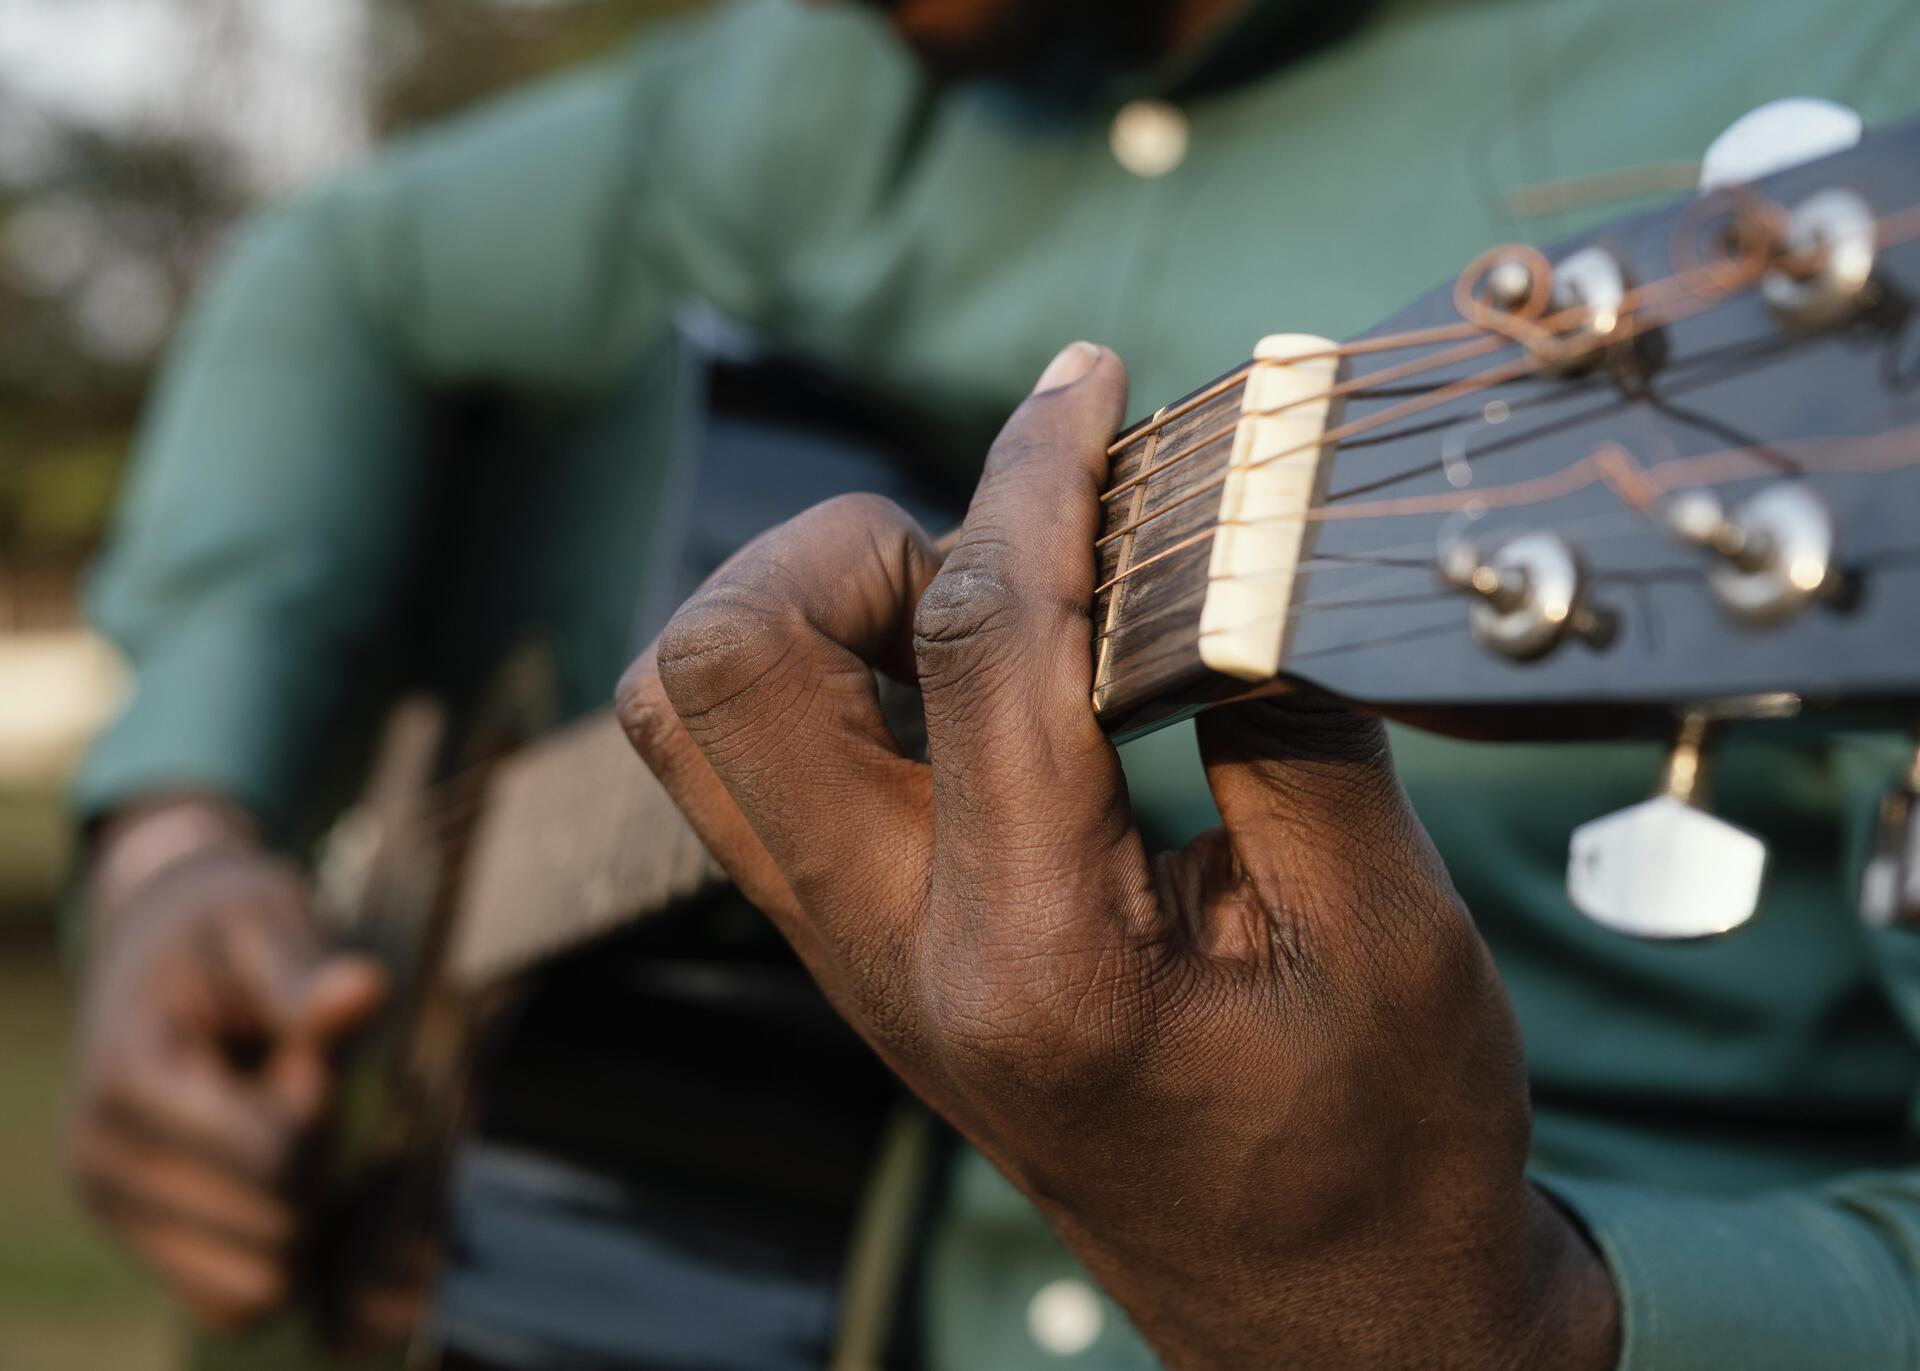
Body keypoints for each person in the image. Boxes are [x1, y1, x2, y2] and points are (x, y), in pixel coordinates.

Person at [68, 0, 1920, 1366]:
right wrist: (174, 837)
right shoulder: (826, 85)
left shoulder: (1837, 110)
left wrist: (1499, 1327)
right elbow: (340, 275)